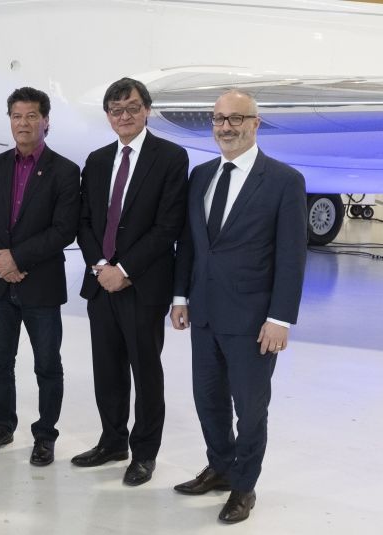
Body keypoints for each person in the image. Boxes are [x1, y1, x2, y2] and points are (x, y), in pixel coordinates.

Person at [170, 89, 307, 524]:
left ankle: (244, 486)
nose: (226, 127)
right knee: (207, 399)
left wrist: (280, 318)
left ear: (255, 123)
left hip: (253, 321)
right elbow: (190, 244)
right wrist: (180, 297)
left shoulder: (285, 181)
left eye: (236, 119)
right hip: (205, 312)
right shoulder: (202, 175)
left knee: (250, 409)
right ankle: (221, 467)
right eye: (218, 119)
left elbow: (291, 255)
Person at [73, 77, 188, 486]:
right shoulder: (98, 159)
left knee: (145, 371)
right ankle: (112, 441)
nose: (124, 116)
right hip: (100, 282)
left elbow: (168, 226)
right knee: (106, 370)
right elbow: (85, 220)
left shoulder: (171, 157)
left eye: (132, 108)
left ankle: (143, 454)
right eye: (116, 110)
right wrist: (101, 266)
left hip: (143, 285)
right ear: (108, 116)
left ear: (147, 110)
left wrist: (124, 270)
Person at [0, 87, 80, 466]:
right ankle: (1, 424)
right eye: (17, 116)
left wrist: (17, 257)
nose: (24, 123)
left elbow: (64, 229)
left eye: (32, 116)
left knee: (47, 364)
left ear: (46, 121)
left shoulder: (65, 171)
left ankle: (45, 435)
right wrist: (0, 261)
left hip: (41, 283)